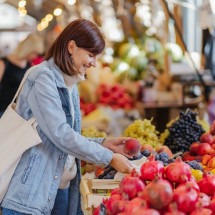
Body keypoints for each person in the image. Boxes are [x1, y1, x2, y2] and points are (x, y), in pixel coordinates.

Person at [1, 19, 135, 215]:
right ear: (71, 47)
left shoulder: (70, 82)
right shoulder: (42, 78)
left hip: (58, 187)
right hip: (29, 194)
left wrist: (104, 143)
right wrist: (108, 158)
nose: (94, 63)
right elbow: (60, 134)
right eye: (91, 55)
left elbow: (64, 137)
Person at [0, 34, 44, 116]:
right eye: (34, 53)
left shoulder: (28, 65)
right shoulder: (4, 63)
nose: (34, 57)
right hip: (3, 110)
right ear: (27, 49)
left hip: (18, 112)